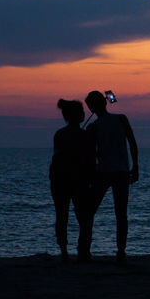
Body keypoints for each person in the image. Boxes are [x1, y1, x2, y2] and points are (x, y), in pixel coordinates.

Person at [84, 89, 139, 262]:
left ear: (91, 108)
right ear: (105, 102)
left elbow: (90, 154)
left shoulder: (93, 127)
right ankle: (121, 251)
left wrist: (90, 175)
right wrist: (135, 166)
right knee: (121, 213)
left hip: (104, 173)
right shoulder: (121, 119)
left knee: (89, 211)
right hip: (121, 172)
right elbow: (132, 144)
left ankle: (85, 249)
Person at [48, 98, 95, 262]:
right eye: (82, 112)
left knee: (62, 216)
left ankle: (64, 252)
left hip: (59, 179)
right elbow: (89, 159)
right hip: (78, 180)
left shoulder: (60, 134)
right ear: (76, 115)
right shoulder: (84, 135)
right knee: (84, 217)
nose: (84, 114)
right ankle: (84, 251)